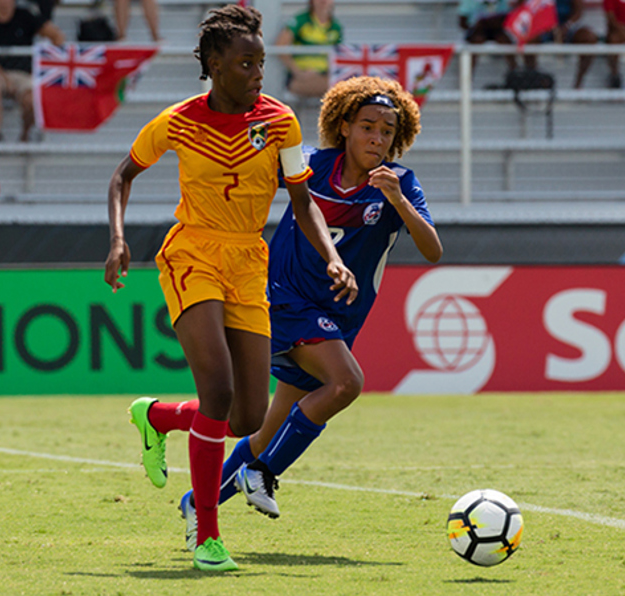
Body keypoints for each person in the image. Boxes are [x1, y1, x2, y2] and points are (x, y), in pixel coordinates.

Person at [104, 4, 356, 571]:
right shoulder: (178, 121)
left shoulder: (281, 122)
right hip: (192, 250)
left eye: (261, 62)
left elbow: (302, 200)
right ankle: (207, 538)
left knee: (245, 418)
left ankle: (158, 415)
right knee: (216, 392)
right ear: (215, 66)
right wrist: (118, 240)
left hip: (248, 259)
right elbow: (123, 175)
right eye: (246, 62)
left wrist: (333, 256)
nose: (258, 72)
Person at [170, 76, 442, 551]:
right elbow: (248, 177)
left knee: (263, 427)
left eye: (386, 132)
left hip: (337, 321)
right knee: (346, 383)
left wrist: (398, 199)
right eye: (367, 127)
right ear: (344, 127)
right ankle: (262, 474)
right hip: (284, 299)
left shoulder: (400, 185)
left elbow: (433, 250)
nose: (376, 139)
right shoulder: (311, 166)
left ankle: (201, 499)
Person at [0, 0, 66, 142]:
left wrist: (45, 64)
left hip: (23, 73)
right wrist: (3, 77)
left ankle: (25, 133)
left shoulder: (26, 16)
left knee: (31, 98)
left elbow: (57, 36)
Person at [274, 0, 341, 99]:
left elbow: (338, 56)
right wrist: (298, 72)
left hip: (324, 76)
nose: (324, 1)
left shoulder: (335, 26)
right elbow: (280, 45)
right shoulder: (301, 20)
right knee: (339, 89)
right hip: (299, 78)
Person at [526, 0, 598, 89]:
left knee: (589, 38)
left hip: (567, 26)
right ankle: (533, 78)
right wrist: (544, 25)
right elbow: (525, 8)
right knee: (528, 39)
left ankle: (578, 83)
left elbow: (578, 11)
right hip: (543, 26)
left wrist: (567, 26)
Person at [458, 0, 529, 74]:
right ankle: (466, 75)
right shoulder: (469, 2)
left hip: (498, 30)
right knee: (476, 41)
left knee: (505, 40)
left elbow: (510, 17)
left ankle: (515, 72)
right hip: (477, 31)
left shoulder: (504, 2)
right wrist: (475, 26)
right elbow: (462, 22)